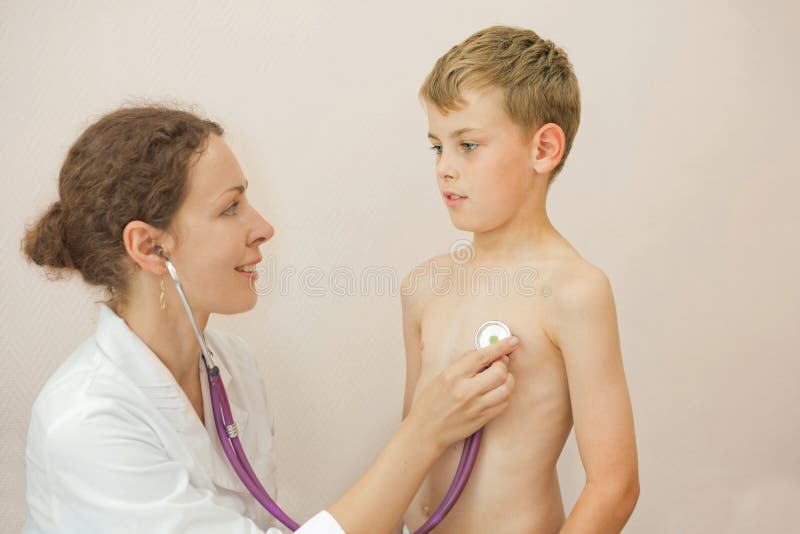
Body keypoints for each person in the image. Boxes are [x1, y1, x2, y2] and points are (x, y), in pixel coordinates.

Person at [20, 106, 518, 534]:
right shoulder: (86, 424)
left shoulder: (231, 366)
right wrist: (424, 432)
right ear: (150, 247)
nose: (263, 227)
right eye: (230, 207)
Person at [399, 26, 640, 533]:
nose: (444, 168)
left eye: (467, 144)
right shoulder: (424, 288)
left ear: (543, 149)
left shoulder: (575, 292)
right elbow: (410, 446)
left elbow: (614, 486)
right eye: (436, 147)